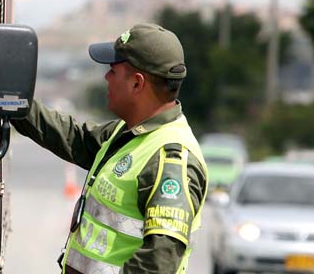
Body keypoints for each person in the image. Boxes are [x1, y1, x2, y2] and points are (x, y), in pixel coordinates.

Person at [11, 23, 208, 274]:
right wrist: (8, 97)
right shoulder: (126, 132)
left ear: (137, 83)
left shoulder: (169, 159)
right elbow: (72, 137)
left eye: (113, 71)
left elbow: (158, 264)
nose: (106, 77)